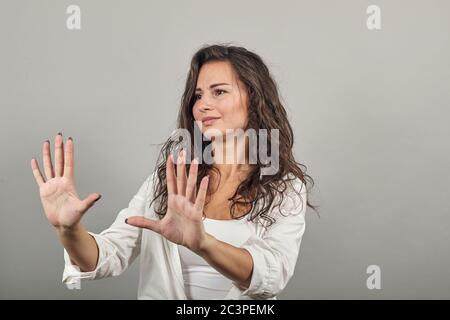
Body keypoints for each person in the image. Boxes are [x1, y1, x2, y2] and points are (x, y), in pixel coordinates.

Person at [30, 44, 316, 300]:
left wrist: (203, 243)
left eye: (219, 91)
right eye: (198, 95)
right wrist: (68, 230)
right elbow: (106, 256)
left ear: (254, 98)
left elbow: (273, 276)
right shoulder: (170, 178)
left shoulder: (285, 187)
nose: (202, 105)